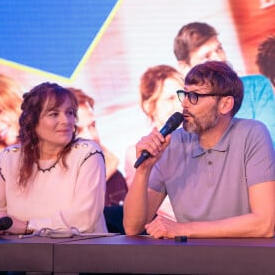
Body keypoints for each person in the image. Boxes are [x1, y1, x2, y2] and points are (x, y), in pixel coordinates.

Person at [123, 60, 275, 238]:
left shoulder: (252, 134)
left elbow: (265, 224)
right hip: (189, 261)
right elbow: (132, 227)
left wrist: (183, 230)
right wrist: (143, 170)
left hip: (243, 260)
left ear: (225, 104)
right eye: (184, 94)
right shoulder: (173, 143)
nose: (185, 104)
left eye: (194, 96)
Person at [0, 82, 107, 238]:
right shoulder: (8, 158)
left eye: (70, 112)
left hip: (82, 256)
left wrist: (28, 226)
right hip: (22, 257)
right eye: (54, 114)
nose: (67, 121)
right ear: (32, 121)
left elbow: (83, 219)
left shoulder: (88, 153)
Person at [173, 22, 275, 148]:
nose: (219, 59)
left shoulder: (256, 86)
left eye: (219, 49)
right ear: (184, 67)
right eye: (206, 56)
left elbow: (267, 142)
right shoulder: (185, 113)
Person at [124, 65, 184, 220]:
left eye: (181, 95)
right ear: (149, 106)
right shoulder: (137, 154)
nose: (180, 105)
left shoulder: (199, 140)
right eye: (170, 99)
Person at [68, 87, 127, 233]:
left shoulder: (115, 178)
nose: (90, 136)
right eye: (78, 130)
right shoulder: (44, 177)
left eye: (92, 126)